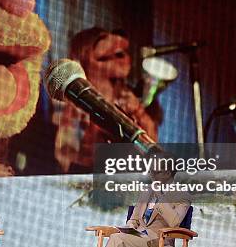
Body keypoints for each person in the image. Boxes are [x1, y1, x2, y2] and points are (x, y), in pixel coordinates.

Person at [54, 27, 161, 173]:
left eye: (123, 53)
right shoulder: (74, 104)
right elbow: (66, 160)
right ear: (86, 60)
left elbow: (154, 153)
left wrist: (140, 114)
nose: (125, 59)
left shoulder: (130, 98)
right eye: (111, 55)